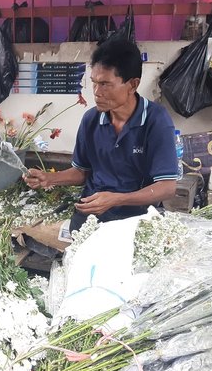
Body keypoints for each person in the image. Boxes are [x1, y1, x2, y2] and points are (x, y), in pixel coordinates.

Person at [24, 39, 179, 231]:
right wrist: (49, 179)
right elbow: (81, 172)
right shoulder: (91, 120)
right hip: (93, 209)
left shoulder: (155, 121)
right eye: (94, 83)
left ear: (132, 85)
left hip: (137, 213)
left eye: (105, 84)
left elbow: (167, 187)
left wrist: (117, 199)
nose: (97, 92)